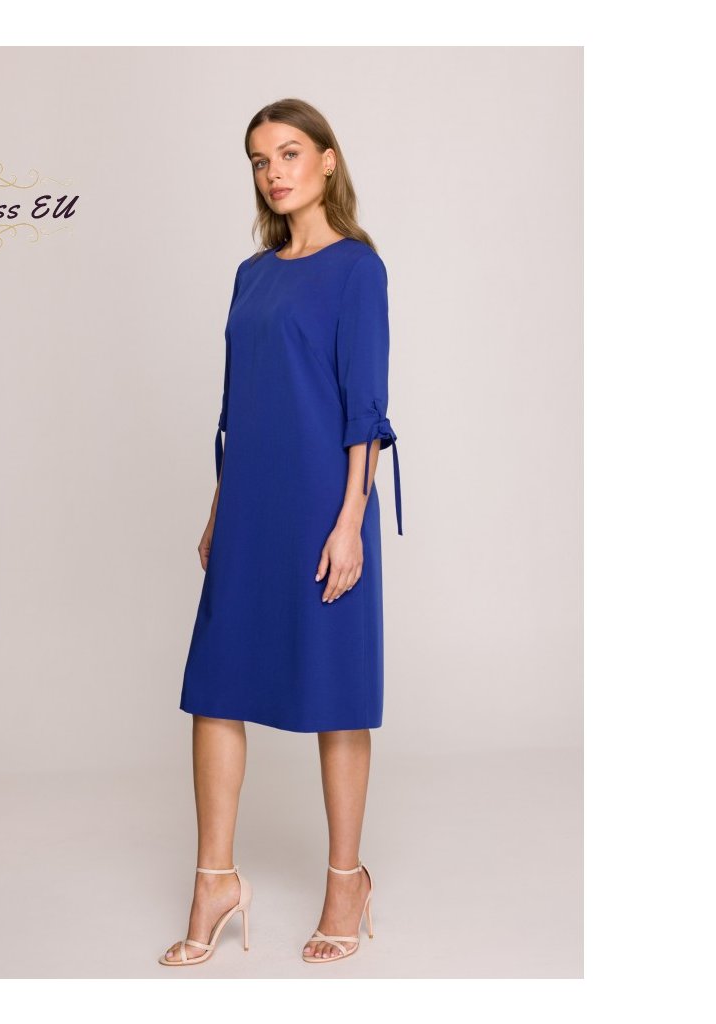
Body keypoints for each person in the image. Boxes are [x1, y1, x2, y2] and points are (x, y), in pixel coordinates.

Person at [160, 98, 403, 967]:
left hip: (322, 509)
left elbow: (364, 410)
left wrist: (351, 522)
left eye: (291, 153)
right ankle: (214, 881)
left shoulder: (357, 270)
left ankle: (347, 881)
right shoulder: (251, 275)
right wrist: (218, 510)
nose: (275, 172)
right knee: (216, 687)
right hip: (250, 506)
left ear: (328, 160)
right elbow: (239, 406)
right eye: (261, 160)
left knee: (335, 692)